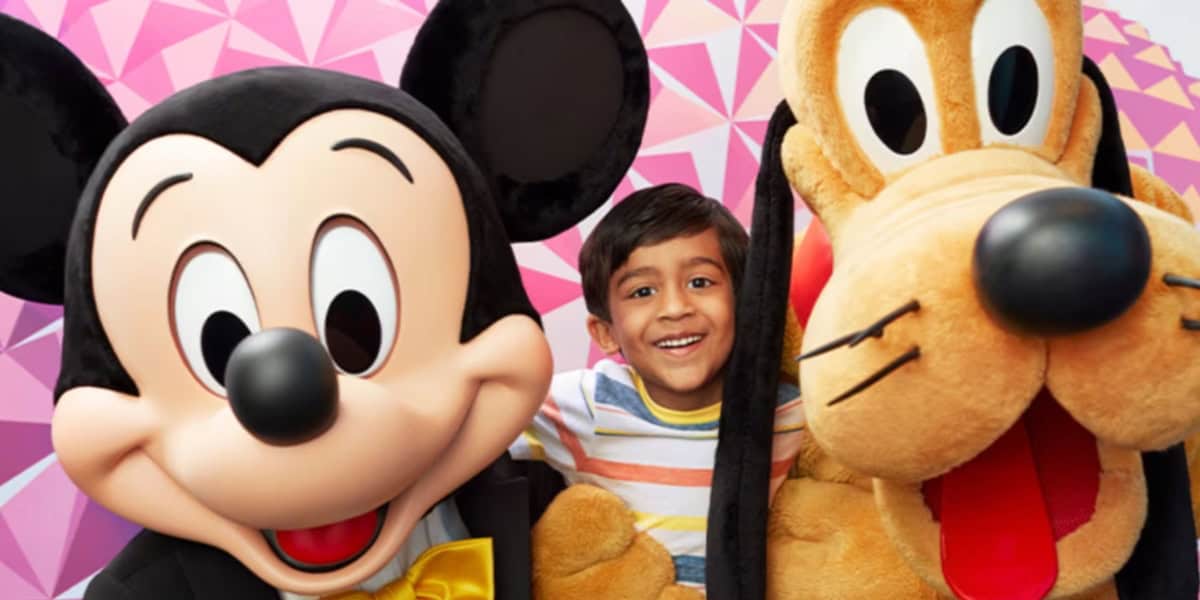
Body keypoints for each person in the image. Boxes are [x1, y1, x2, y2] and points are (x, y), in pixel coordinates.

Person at [509, 183, 804, 591]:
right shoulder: (590, 406)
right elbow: (479, 424)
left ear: (745, 303)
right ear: (606, 333)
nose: (675, 308)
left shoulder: (791, 414)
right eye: (642, 292)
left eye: (700, 282)